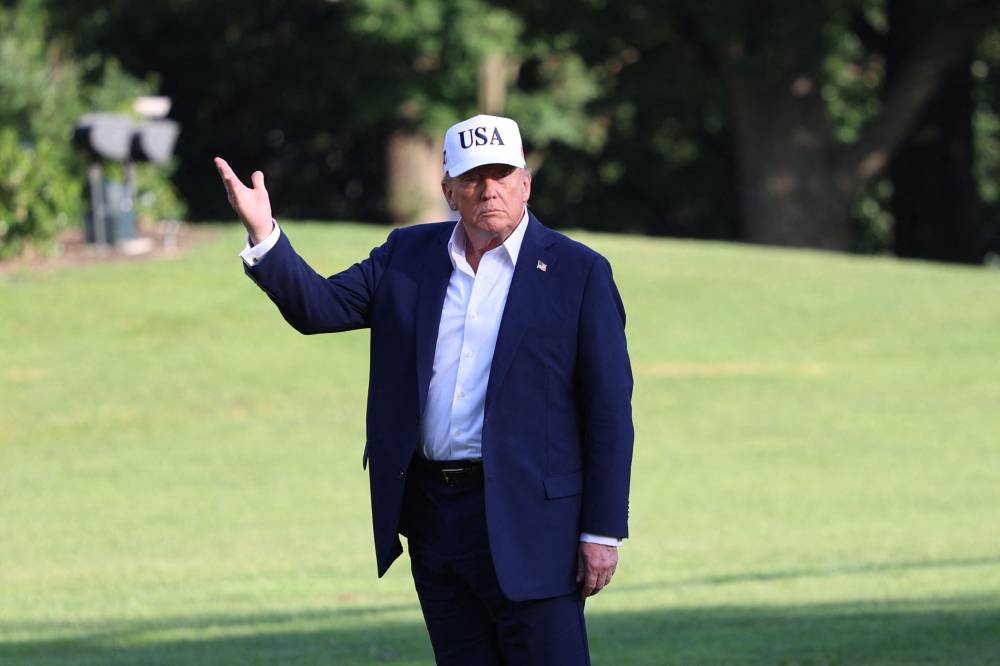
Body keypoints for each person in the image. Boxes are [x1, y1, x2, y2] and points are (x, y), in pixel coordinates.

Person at [214, 113, 633, 665]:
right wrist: (265, 235)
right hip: (436, 518)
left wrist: (602, 530)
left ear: (525, 183)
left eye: (502, 175)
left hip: (536, 526)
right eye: (472, 179)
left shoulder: (579, 273)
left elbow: (607, 412)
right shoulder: (406, 257)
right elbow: (318, 308)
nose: (489, 190)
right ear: (448, 191)